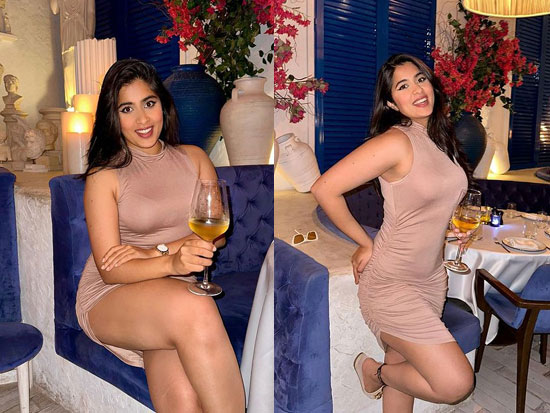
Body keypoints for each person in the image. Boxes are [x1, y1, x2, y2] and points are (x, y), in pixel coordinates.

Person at [77, 59, 245, 413]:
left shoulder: (194, 158)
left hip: (171, 294)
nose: (142, 119)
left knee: (184, 402)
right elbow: (111, 269)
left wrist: (155, 250)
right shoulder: (104, 176)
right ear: (113, 117)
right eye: (127, 109)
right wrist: (169, 258)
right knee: (196, 306)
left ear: (163, 105)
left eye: (149, 103)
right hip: (114, 294)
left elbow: (217, 236)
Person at [311, 53, 475, 412]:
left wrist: (446, 232)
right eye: (403, 86)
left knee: (404, 367)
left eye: (420, 79)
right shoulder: (397, 141)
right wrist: (365, 241)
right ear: (390, 102)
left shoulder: (440, 139)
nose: (417, 90)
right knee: (456, 383)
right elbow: (324, 188)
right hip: (391, 283)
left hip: (431, 280)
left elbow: (426, 205)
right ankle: (373, 371)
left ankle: (383, 372)